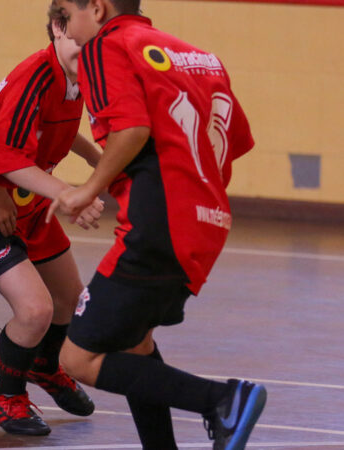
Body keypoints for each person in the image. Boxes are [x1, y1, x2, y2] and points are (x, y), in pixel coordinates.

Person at [50, 0, 266, 448]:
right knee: (134, 344)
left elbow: (132, 130)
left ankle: (224, 399)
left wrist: (87, 188)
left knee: (77, 358)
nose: (67, 31)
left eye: (66, 14)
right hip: (207, 221)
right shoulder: (199, 56)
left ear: (98, 7)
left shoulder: (106, 46)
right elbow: (233, 142)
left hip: (156, 224)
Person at [0, 2, 104, 435]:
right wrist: (71, 194)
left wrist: (95, 155)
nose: (86, 46)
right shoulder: (35, 75)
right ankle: (6, 395)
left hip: (26, 197)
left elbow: (47, 126)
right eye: (78, 36)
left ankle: (43, 364)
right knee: (35, 310)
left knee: (72, 302)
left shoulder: (77, 77)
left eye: (95, 38)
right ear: (57, 27)